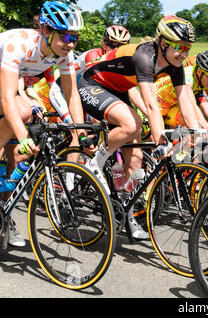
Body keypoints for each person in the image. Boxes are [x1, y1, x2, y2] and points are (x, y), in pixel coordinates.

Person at [78, 15, 197, 239]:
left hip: (117, 90)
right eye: (179, 47)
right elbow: (152, 105)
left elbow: (185, 102)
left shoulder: (175, 64)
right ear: (163, 43)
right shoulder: (145, 56)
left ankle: (127, 213)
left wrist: (197, 132)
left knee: (136, 160)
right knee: (132, 123)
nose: (184, 53)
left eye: (188, 48)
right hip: (92, 82)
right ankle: (96, 162)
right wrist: (160, 139)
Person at [0, 1, 85, 247]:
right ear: (47, 31)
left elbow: (72, 95)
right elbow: (7, 97)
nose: (71, 43)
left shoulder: (64, 53)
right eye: (66, 36)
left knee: (14, 155)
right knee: (23, 110)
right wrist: (24, 136)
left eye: (75, 38)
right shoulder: (21, 43)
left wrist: (81, 132)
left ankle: (5, 220)